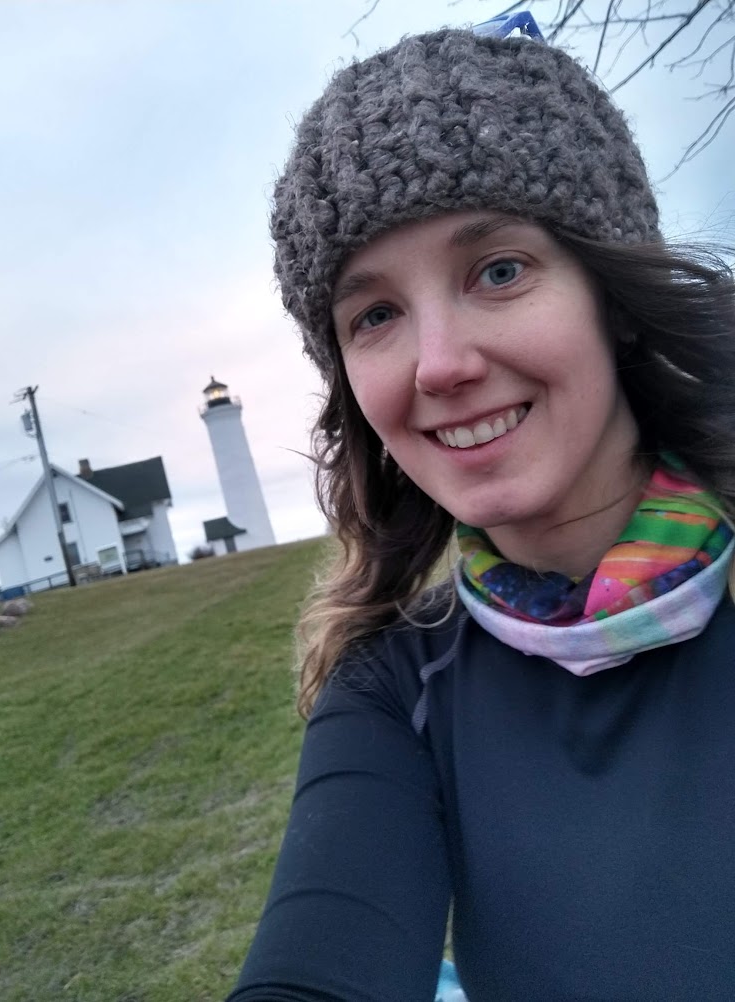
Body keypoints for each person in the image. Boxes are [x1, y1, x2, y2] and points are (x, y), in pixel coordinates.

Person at [228, 17, 735, 1002]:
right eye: (373, 314)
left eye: (496, 271)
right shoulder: (393, 689)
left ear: (610, 293)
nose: (440, 364)